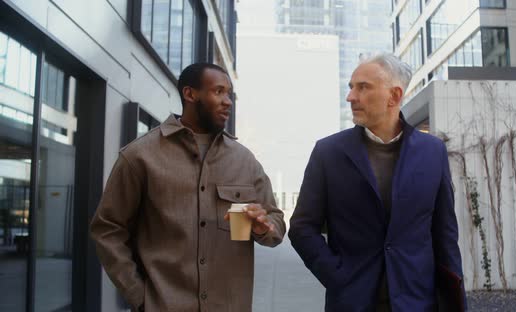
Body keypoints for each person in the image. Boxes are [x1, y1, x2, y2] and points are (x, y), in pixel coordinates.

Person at [90, 63, 285, 312]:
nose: (228, 102)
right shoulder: (139, 156)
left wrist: (262, 226)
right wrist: (139, 296)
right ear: (190, 94)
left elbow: (276, 224)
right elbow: (107, 230)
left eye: (229, 94)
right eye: (218, 91)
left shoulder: (244, 160)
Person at [289, 54, 465, 311]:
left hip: (418, 302)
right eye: (351, 87)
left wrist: (455, 302)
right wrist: (336, 276)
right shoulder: (328, 152)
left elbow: (445, 234)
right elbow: (302, 227)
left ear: (394, 96)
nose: (351, 97)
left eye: (363, 87)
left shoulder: (433, 152)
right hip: (352, 302)